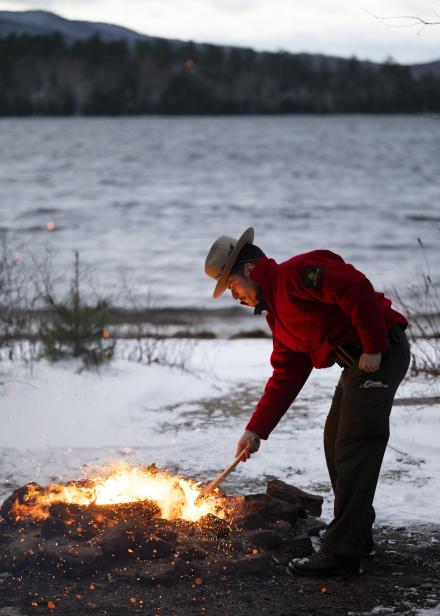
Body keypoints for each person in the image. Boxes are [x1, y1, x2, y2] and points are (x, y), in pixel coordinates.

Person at [204, 227, 410, 576]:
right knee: (335, 444)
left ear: (251, 272)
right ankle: (356, 538)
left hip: (380, 353)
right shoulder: (277, 317)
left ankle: (343, 554)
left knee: (354, 447)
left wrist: (373, 345)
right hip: (355, 364)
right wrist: (256, 430)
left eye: (234, 286)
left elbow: (354, 287)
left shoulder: (296, 275)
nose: (236, 297)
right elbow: (286, 374)